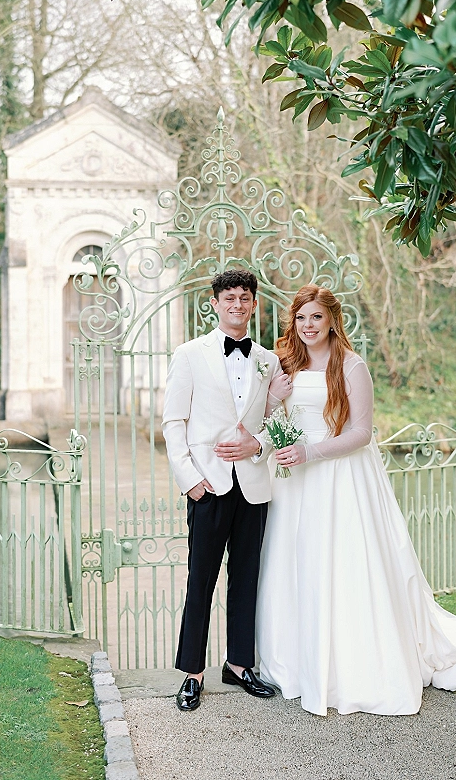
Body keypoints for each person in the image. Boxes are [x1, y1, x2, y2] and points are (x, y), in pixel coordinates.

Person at [256, 283, 456, 716]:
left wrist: (310, 452)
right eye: (301, 318)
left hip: (337, 475)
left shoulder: (351, 366)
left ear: (331, 321)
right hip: (291, 481)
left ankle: (352, 665)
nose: (308, 326)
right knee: (292, 563)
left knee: (342, 564)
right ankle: (296, 662)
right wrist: (274, 399)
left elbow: (360, 433)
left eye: (316, 318)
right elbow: (267, 416)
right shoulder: (283, 363)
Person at [162, 269, 283, 711]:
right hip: (208, 484)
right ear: (215, 303)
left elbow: (275, 425)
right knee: (201, 580)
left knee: (247, 576)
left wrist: (259, 445)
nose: (237, 304)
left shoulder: (268, 360)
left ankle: (239, 665)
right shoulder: (189, 354)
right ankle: (192, 673)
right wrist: (189, 480)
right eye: (229, 297)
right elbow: (173, 421)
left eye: (245, 297)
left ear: (254, 305)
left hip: (253, 483)